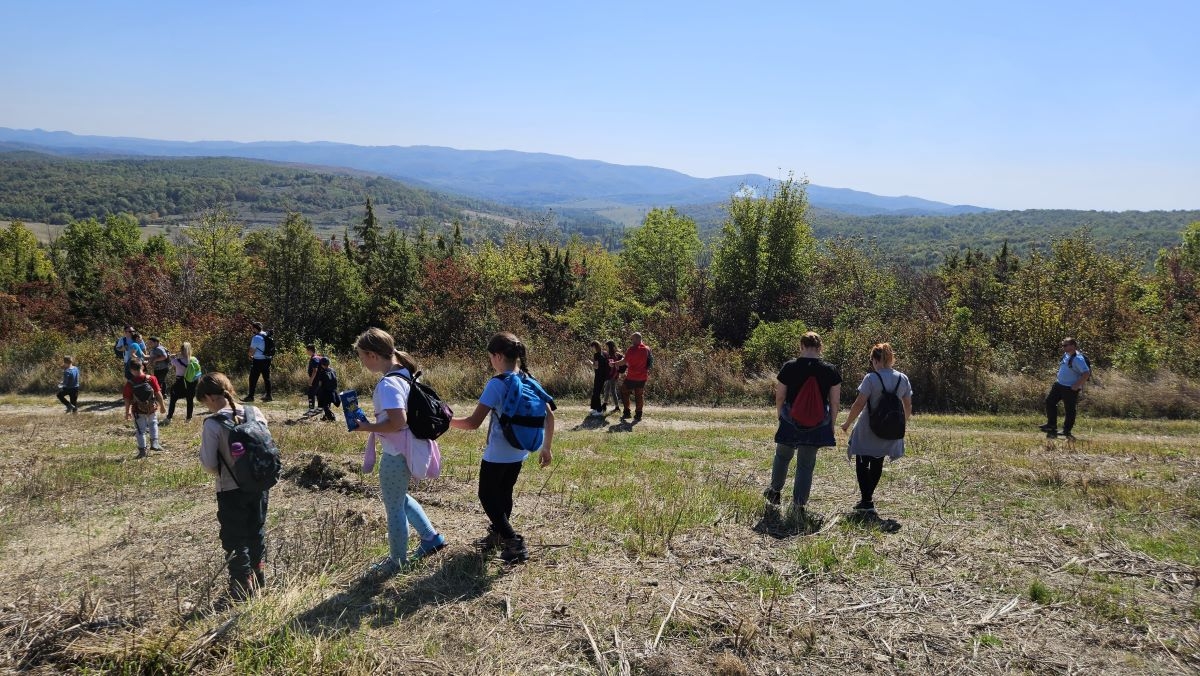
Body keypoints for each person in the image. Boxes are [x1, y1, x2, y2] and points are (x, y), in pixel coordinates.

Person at [449, 332, 554, 564]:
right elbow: (550, 415)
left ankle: (513, 541)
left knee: (487, 495)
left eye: (490, 357)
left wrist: (448, 421)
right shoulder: (529, 379)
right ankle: (498, 534)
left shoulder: (497, 384)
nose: (491, 361)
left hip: (497, 453)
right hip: (520, 450)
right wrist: (546, 447)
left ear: (497, 356)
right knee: (505, 492)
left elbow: (473, 423)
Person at [350, 328, 446, 577]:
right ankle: (430, 538)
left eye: (361, 356)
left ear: (372, 355)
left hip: (396, 453)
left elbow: (397, 422)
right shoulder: (405, 374)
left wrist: (367, 427)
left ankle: (397, 561)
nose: (362, 362)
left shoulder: (388, 384)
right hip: (410, 447)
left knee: (393, 507)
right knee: (399, 497)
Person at [196, 372, 270, 600]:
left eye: (204, 403)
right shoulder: (254, 412)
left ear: (209, 397)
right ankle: (259, 576)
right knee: (256, 530)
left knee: (234, 538)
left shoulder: (213, 424)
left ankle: (241, 585)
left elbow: (209, 464)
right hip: (259, 485)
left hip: (230, 489)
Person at [764, 332, 842, 514]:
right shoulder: (830, 370)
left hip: (790, 419)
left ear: (801, 346)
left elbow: (780, 396)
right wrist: (831, 423)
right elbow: (835, 402)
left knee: (782, 456)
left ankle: (775, 491)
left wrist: (780, 415)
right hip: (817, 421)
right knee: (806, 464)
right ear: (820, 348)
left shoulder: (789, 367)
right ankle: (798, 505)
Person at [839, 343, 912, 515]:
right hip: (890, 429)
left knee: (862, 462)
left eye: (871, 360)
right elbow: (908, 406)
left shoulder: (871, 378)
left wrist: (847, 423)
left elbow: (859, 404)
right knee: (877, 462)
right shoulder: (903, 378)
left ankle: (867, 501)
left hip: (868, 428)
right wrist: (901, 423)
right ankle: (867, 500)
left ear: (876, 360)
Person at [1040, 337, 1090, 440]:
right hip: (1059, 384)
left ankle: (1066, 430)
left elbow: (1086, 373)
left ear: (1073, 346)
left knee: (1069, 410)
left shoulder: (1078, 359)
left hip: (1070, 388)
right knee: (1049, 402)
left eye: (1065, 345)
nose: (1063, 347)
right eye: (1063, 345)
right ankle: (1051, 425)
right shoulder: (1066, 355)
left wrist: (1077, 385)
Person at [123, 358, 165, 459]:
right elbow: (158, 393)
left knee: (140, 430)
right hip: (151, 408)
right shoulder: (151, 379)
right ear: (142, 366)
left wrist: (127, 412)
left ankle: (142, 451)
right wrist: (162, 406)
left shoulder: (130, 383)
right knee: (153, 424)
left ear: (131, 370)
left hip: (138, 410)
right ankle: (155, 443)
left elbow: (127, 399)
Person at [615, 332, 652, 420]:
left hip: (632, 377)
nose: (631, 341)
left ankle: (627, 412)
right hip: (643, 377)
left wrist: (614, 363)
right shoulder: (647, 349)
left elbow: (624, 362)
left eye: (632, 339)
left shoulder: (631, 349)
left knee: (624, 391)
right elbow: (650, 362)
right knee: (639, 395)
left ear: (637, 339)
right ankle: (638, 414)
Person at [166, 342, 199, 423]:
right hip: (192, 382)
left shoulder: (177, 361)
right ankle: (188, 418)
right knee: (190, 400)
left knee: (173, 399)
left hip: (180, 382)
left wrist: (173, 356)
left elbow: (171, 360)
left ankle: (169, 417)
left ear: (181, 350)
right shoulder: (195, 360)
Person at [245, 321, 272, 402]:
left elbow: (251, 351)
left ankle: (251, 396)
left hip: (258, 361)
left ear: (255, 328)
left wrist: (250, 356)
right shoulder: (266, 335)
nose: (252, 330)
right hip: (267, 359)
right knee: (266, 378)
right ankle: (268, 395)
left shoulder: (256, 337)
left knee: (253, 378)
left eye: (252, 328)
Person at [587, 340, 607, 416]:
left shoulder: (596, 355)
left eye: (592, 347)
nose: (591, 349)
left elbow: (596, 366)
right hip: (603, 376)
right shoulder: (603, 353)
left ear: (595, 347)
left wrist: (590, 363)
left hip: (599, 376)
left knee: (596, 393)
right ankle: (595, 408)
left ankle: (599, 410)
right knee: (595, 392)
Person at [314, 356, 339, 422]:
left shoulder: (322, 372)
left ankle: (331, 417)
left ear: (322, 364)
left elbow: (320, 384)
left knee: (325, 405)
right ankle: (325, 417)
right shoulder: (333, 370)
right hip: (333, 391)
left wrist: (317, 391)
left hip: (325, 392)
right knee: (328, 404)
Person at [602, 340, 624, 411]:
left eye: (606, 346)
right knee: (607, 389)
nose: (605, 347)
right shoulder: (610, 354)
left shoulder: (613, 355)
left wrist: (612, 376)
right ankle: (605, 404)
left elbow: (614, 367)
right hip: (610, 375)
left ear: (609, 347)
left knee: (612, 390)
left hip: (613, 375)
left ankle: (616, 407)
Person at [305, 344, 322, 412]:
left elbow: (315, 370)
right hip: (319, 379)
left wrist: (311, 380)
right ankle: (320, 408)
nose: (306, 352)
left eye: (307, 350)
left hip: (315, 379)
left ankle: (311, 410)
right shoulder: (318, 357)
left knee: (311, 394)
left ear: (310, 350)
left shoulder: (314, 358)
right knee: (318, 393)